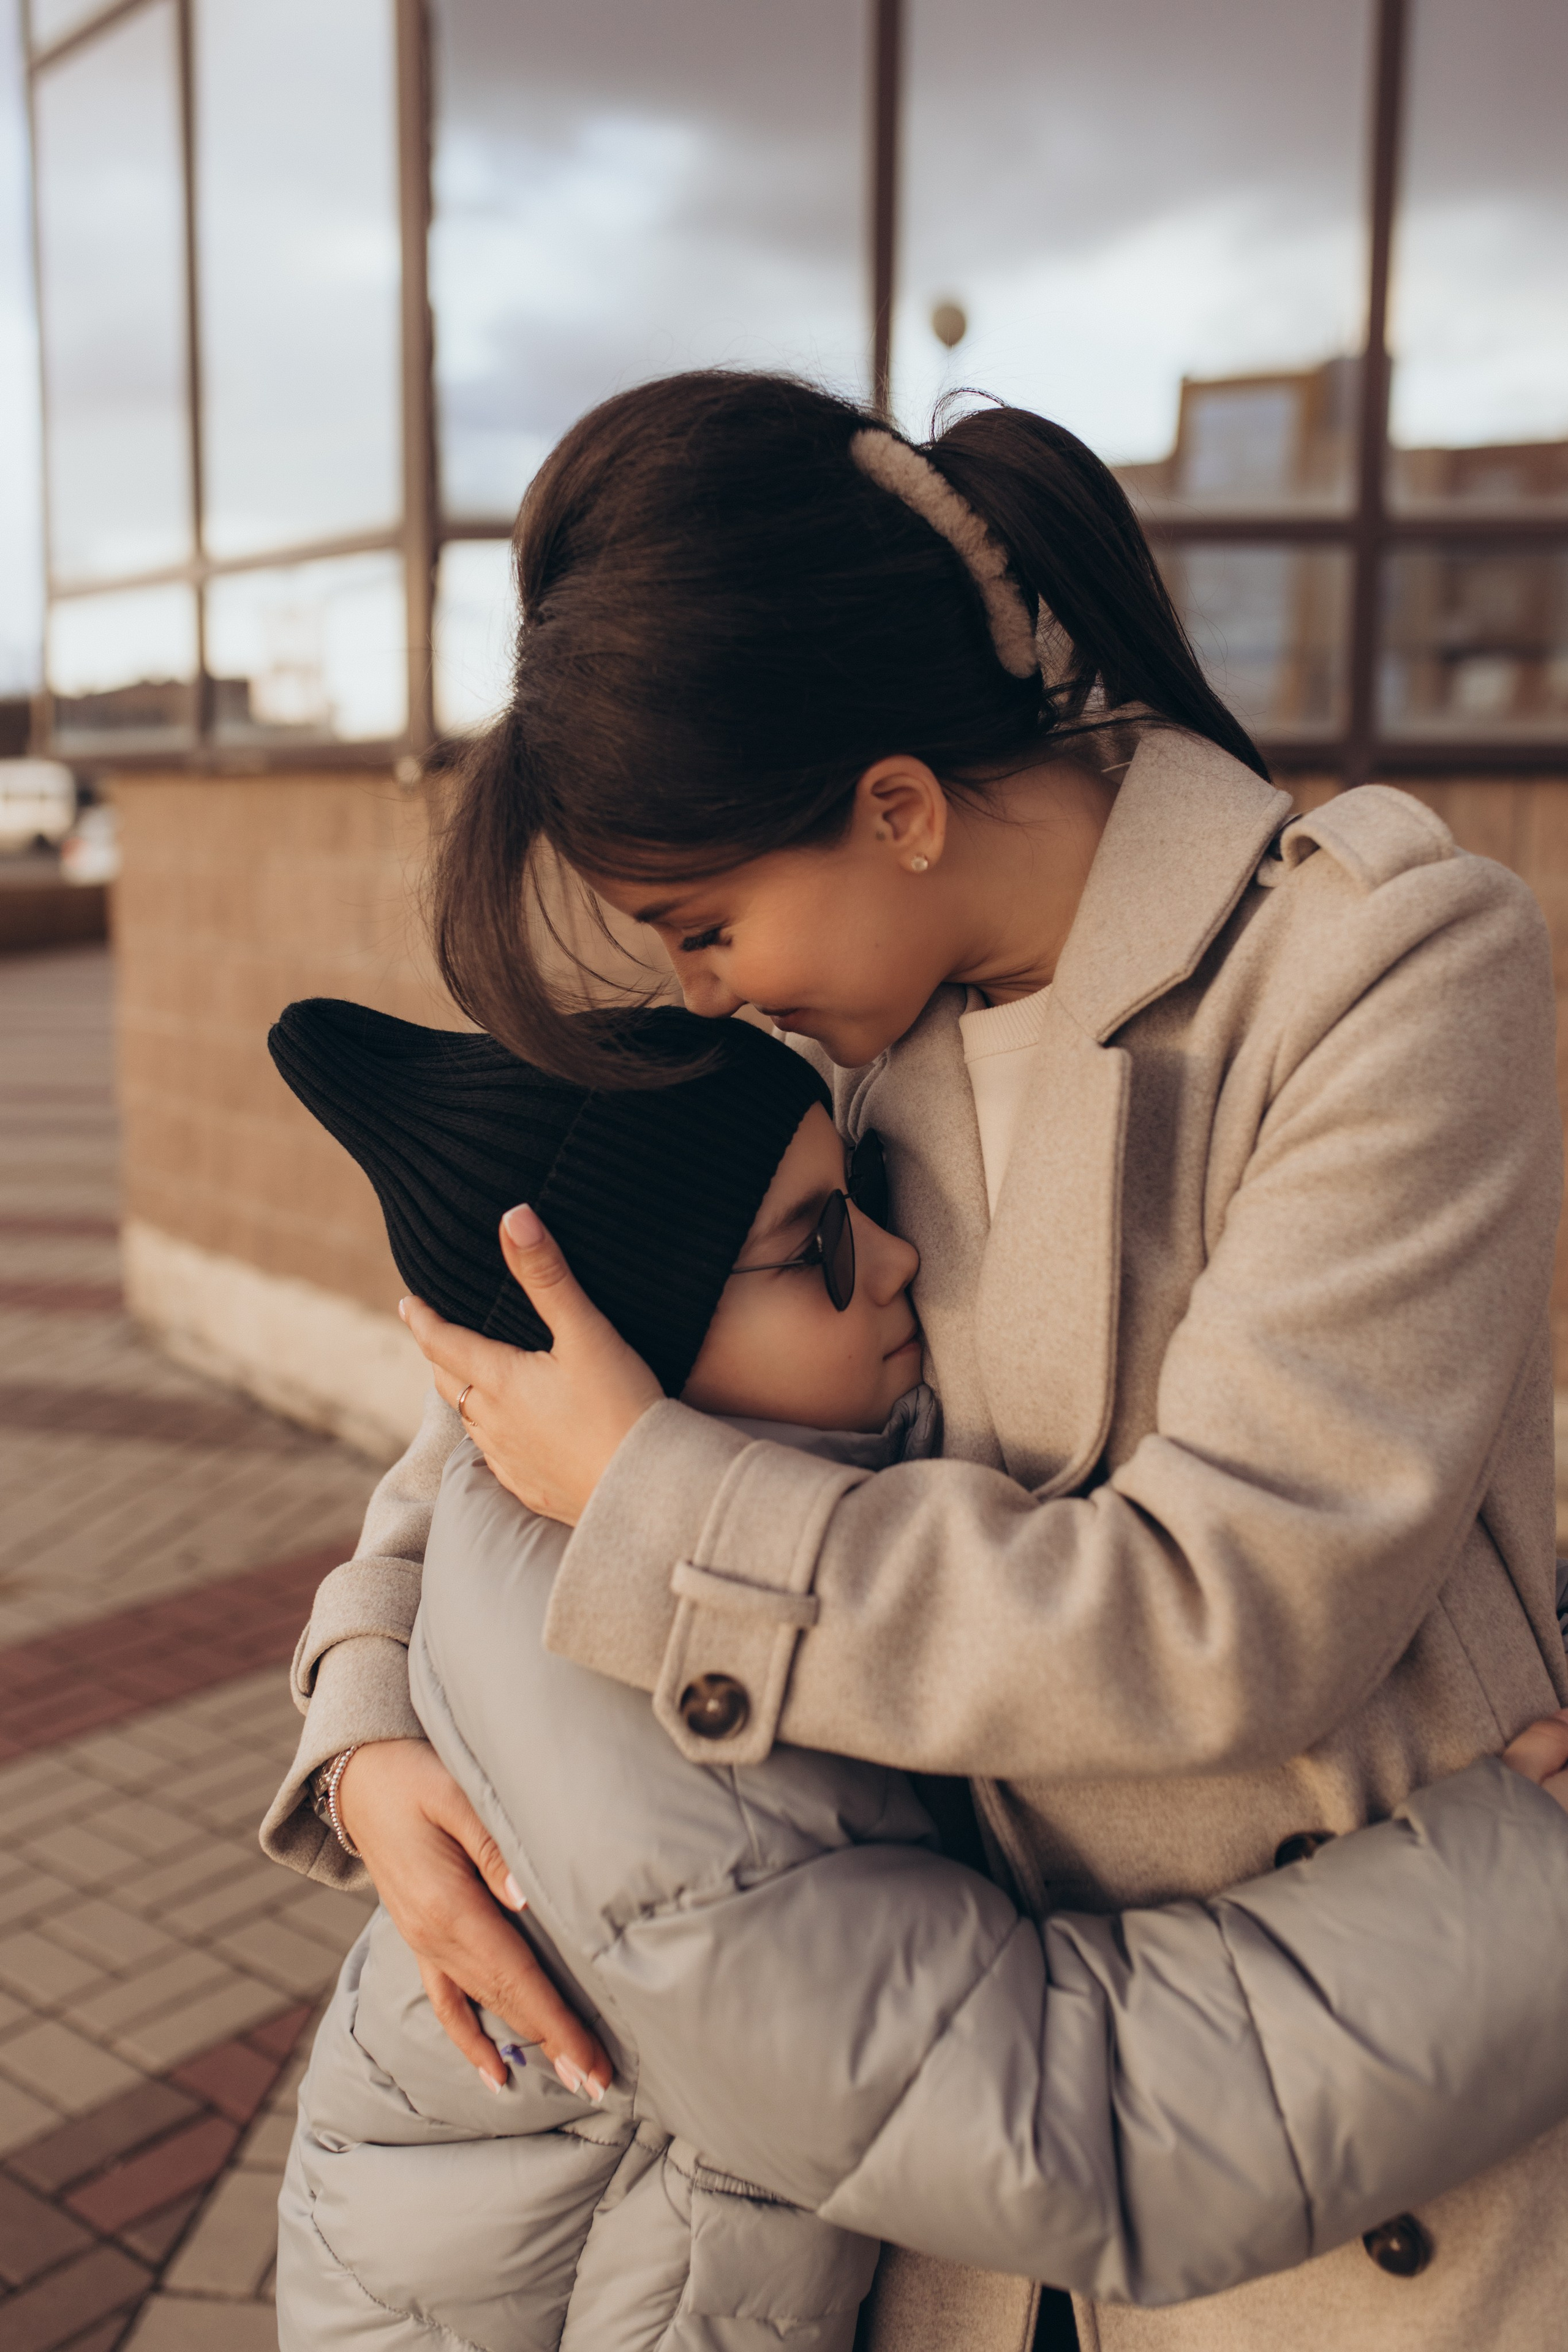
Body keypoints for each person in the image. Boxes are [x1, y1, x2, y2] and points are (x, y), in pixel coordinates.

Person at [262, 374, 1568, 2352]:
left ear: (893, 806)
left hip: (1368, 2131)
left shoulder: (1382, 970)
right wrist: (370, 1730)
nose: (698, 990)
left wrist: (653, 1508)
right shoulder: (864, 1044)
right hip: (964, 2214)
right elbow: (525, 1393)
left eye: (702, 926)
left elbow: (1236, 1608)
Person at [267, 994, 1568, 2352]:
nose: (895, 1262)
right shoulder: (656, 1755)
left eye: (867, 1195)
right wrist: (1527, 1888)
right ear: (616, 1360)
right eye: (815, 1244)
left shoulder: (618, 1522)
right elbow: (1055, 2115)